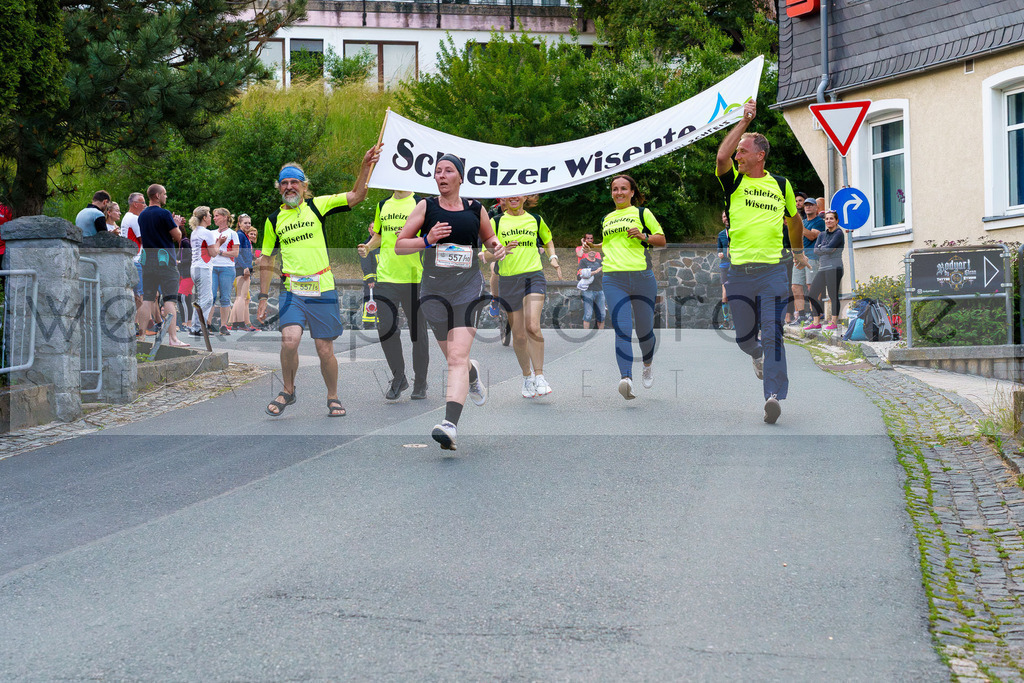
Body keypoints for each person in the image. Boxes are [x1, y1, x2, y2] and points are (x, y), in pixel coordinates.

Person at [257, 145, 380, 418]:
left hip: (322, 287)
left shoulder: (318, 205)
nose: (290, 187)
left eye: (295, 182)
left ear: (304, 186)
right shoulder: (274, 219)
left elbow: (357, 195)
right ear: (279, 188)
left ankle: (333, 396)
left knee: (324, 348)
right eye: (285, 183)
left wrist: (364, 166)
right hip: (293, 290)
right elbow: (266, 260)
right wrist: (263, 297)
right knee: (289, 340)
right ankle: (288, 390)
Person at [394, 154, 506, 451]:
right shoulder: (425, 207)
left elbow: (490, 240)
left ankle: (449, 424)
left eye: (448, 171)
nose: (441, 175)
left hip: (467, 288)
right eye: (437, 171)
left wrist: (497, 248)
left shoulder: (475, 208)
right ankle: (472, 374)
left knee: (456, 356)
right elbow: (400, 245)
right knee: (455, 358)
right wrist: (427, 240)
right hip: (433, 290)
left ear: (460, 177)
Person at [715, 100, 806, 424]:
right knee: (743, 338)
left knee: (773, 333)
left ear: (760, 155)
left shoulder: (780, 184)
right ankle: (755, 355)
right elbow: (721, 157)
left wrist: (797, 253)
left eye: (744, 151)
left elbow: (794, 220)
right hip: (739, 274)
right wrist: (743, 123)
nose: (737, 156)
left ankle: (773, 396)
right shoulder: (734, 182)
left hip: (772, 273)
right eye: (738, 151)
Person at [587, 174, 666, 400]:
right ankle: (626, 378)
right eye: (615, 189)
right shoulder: (607, 218)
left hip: (642, 276)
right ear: (611, 193)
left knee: (644, 330)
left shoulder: (643, 213)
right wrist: (595, 245)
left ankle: (648, 364)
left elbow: (661, 240)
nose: (619, 192)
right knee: (621, 328)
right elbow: (611, 244)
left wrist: (643, 236)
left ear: (632, 192)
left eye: (623, 188)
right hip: (613, 278)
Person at [485, 195, 562, 398]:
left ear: (525, 196)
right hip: (509, 280)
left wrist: (552, 257)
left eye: (519, 193)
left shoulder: (536, 219)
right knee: (518, 335)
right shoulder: (496, 222)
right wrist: (499, 252)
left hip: (533, 276)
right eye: (510, 193)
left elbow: (548, 241)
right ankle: (527, 377)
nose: (514, 197)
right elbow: (485, 255)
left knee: (532, 326)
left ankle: (540, 375)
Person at [357, 190, 430, 401]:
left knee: (418, 333)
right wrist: (368, 247)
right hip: (386, 277)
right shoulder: (383, 205)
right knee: (386, 329)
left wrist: (413, 237)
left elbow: (431, 237)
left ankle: (421, 382)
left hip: (414, 277)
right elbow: (379, 235)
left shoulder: (421, 203)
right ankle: (399, 377)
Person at [138, 183, 188, 347]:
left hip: (148, 260)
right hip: (165, 260)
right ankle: (173, 338)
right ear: (157, 196)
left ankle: (142, 336)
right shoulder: (164, 214)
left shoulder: (142, 215)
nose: (166, 196)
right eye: (164, 194)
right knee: (169, 300)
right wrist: (177, 224)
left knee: (148, 298)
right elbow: (177, 236)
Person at [804, 209, 845, 332]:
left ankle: (834, 322)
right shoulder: (822, 235)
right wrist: (824, 248)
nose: (828, 221)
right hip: (823, 268)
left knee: (832, 295)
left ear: (837, 220)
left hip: (835, 268)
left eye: (831, 218)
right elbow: (816, 250)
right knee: (812, 294)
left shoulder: (839, 233)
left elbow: (829, 249)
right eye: (826, 219)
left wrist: (823, 248)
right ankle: (816, 322)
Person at [790, 197, 824, 327]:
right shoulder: (803, 222)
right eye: (806, 205)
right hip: (800, 258)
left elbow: (811, 236)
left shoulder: (819, 222)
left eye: (811, 205)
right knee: (795, 286)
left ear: (816, 208)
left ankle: (814, 313)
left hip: (812, 257)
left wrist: (799, 226)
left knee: (811, 287)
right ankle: (801, 315)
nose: (808, 207)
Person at [120, 192, 148, 336]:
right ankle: (137, 328)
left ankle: (132, 325)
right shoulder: (135, 218)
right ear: (135, 204)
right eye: (143, 203)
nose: (145, 205)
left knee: (133, 294)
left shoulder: (126, 217)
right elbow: (144, 239)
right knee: (140, 296)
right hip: (136, 260)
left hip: (128, 259)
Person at [187, 206, 218, 335]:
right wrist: (219, 243)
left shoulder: (195, 232)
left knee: (201, 298)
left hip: (195, 267)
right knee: (207, 299)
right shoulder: (206, 233)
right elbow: (213, 253)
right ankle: (199, 327)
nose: (211, 217)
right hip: (203, 267)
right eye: (209, 215)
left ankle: (196, 326)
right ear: (204, 218)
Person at [210, 208, 239, 335]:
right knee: (210, 296)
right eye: (213, 216)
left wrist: (220, 252)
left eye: (216, 216)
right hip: (212, 267)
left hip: (227, 268)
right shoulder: (211, 233)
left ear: (225, 217)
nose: (214, 218)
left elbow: (236, 253)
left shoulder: (233, 234)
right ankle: (208, 324)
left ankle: (223, 326)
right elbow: (209, 251)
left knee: (225, 298)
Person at [229, 214, 257, 331]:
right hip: (241, 268)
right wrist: (245, 267)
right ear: (239, 224)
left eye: (249, 223)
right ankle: (241, 323)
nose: (248, 225)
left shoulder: (243, 236)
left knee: (240, 297)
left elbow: (246, 253)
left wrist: (254, 260)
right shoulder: (240, 235)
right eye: (245, 223)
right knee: (242, 297)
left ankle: (235, 323)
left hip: (243, 267)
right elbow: (237, 253)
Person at [577, 233, 605, 330]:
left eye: (591, 238)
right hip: (588, 289)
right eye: (587, 238)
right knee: (588, 315)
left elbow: (603, 269)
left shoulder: (598, 258)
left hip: (600, 289)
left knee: (602, 315)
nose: (592, 252)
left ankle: (601, 337)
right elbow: (580, 274)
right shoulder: (583, 259)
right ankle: (586, 335)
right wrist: (594, 272)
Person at [358, 223, 379, 327]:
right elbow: (365, 264)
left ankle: (380, 322)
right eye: (372, 228)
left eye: (376, 228)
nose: (374, 230)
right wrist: (370, 279)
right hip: (371, 280)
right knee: (368, 300)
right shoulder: (366, 245)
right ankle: (368, 323)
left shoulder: (382, 243)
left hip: (382, 279)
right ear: (369, 230)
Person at [716, 211, 731, 328]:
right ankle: (726, 321)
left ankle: (737, 321)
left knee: (737, 292)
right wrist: (720, 254)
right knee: (725, 294)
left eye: (727, 216)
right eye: (724, 217)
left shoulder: (738, 232)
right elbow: (719, 250)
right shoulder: (721, 234)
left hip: (737, 265)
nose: (726, 218)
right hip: (724, 265)